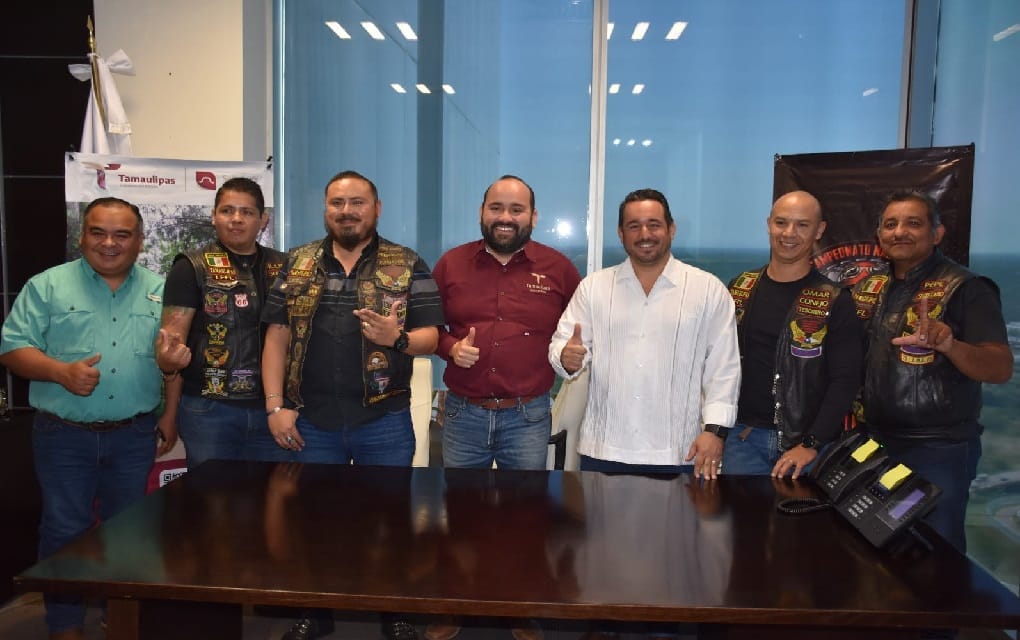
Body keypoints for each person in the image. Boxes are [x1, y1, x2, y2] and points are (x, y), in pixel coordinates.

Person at [261, 170, 444, 640]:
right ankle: (315, 612)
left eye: (357, 202)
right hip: (310, 420)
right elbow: (277, 335)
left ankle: (392, 611)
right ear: (326, 209)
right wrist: (275, 406)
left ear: (376, 209)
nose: (347, 211)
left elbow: (431, 337)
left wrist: (396, 337)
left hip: (382, 419)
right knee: (312, 522)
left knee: (390, 521)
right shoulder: (297, 262)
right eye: (337, 203)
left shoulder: (407, 263)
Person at [0, 197, 178, 640]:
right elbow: (12, 348)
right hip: (63, 435)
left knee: (129, 534)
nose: (109, 243)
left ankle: (118, 619)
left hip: (134, 435)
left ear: (140, 241)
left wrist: (170, 415)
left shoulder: (162, 291)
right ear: (82, 237)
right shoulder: (47, 286)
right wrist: (59, 372)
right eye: (98, 232)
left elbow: (172, 361)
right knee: (64, 530)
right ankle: (64, 626)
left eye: (122, 234)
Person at [426, 176, 579, 640]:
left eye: (516, 209)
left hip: (527, 415)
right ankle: (455, 604)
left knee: (525, 519)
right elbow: (429, 328)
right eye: (496, 208)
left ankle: (520, 607)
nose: (505, 218)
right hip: (464, 413)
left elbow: (577, 331)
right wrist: (451, 348)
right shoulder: (451, 264)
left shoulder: (559, 269)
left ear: (533, 216)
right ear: (482, 212)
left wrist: (574, 353)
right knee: (461, 516)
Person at [853, 190, 1012, 552]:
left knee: (935, 557)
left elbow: (1000, 367)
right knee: (875, 552)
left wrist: (951, 345)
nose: (899, 232)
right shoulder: (868, 287)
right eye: (890, 224)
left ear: (936, 233)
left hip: (937, 450)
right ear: (879, 235)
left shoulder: (968, 288)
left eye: (913, 223)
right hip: (874, 443)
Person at [549, 188, 740, 478]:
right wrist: (566, 357)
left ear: (671, 229)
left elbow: (724, 369)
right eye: (634, 226)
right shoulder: (594, 287)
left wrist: (715, 431)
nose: (644, 234)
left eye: (654, 224)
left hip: (679, 451)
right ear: (621, 234)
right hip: (603, 450)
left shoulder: (708, 290)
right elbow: (561, 346)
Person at [722, 190, 863, 478]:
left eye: (802, 225)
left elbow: (845, 380)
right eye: (781, 222)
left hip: (805, 449)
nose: (789, 233)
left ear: (819, 230)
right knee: (736, 511)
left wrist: (812, 442)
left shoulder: (836, 300)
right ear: (769, 224)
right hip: (742, 440)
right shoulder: (739, 288)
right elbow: (718, 363)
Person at [155, 177, 288, 469]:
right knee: (212, 494)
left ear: (263, 220)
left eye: (247, 212)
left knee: (272, 493)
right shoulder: (190, 267)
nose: (236, 219)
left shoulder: (284, 267)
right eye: (227, 210)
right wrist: (169, 404)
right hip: (209, 409)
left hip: (273, 408)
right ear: (214, 216)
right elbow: (171, 350)